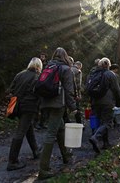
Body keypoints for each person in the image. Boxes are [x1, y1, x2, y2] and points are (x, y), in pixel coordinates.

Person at [38, 47, 77, 180]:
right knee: (51, 133)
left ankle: (66, 156)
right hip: (58, 104)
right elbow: (69, 90)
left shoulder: (48, 66)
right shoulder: (66, 69)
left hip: (45, 103)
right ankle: (43, 169)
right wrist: (73, 107)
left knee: (60, 128)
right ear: (65, 56)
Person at [7, 57, 43, 171]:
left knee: (28, 128)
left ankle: (36, 151)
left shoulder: (19, 74)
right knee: (21, 132)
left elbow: (11, 89)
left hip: (18, 106)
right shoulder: (37, 77)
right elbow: (39, 93)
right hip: (29, 107)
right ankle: (12, 162)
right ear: (39, 66)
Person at [89, 57, 120, 154]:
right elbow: (117, 90)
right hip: (107, 102)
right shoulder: (111, 75)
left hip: (95, 102)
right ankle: (95, 137)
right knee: (108, 123)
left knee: (99, 122)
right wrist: (119, 103)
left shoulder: (94, 74)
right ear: (109, 65)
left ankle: (104, 143)